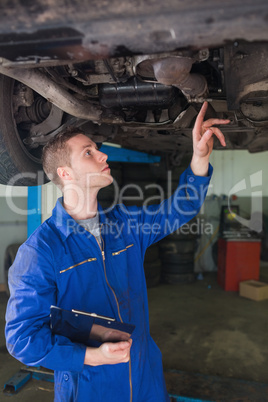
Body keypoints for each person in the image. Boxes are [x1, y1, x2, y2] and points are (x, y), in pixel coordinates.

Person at [5, 102, 229, 402]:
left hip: (145, 373)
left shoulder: (125, 223)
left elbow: (180, 209)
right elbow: (22, 340)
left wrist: (200, 158)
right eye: (88, 152)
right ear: (65, 173)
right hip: (90, 386)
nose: (103, 154)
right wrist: (92, 357)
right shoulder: (41, 251)